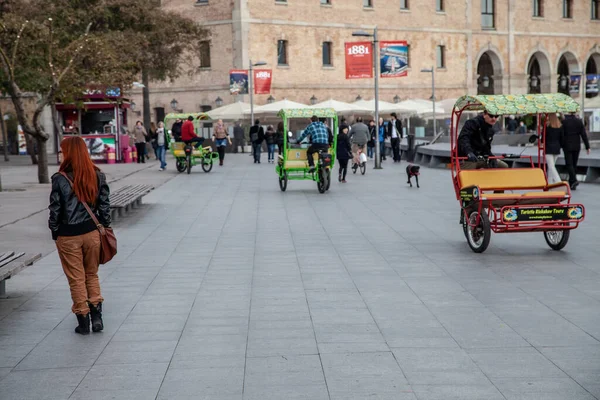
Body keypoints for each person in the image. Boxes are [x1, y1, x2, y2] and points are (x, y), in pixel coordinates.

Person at [48, 136, 111, 335]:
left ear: (68, 153)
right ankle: (97, 317)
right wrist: (105, 227)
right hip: (92, 232)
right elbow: (104, 206)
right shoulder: (97, 174)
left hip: (68, 236)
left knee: (76, 278)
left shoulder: (60, 179)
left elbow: (55, 209)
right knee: (91, 274)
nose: (60, 153)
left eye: (62, 150)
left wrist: (55, 231)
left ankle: (83, 321)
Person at [562, 112, 591, 190]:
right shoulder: (579, 121)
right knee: (574, 164)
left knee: (569, 164)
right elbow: (583, 134)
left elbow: (562, 134)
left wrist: (561, 144)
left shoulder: (564, 122)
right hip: (576, 145)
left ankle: (574, 180)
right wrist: (587, 146)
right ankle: (572, 183)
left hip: (567, 145)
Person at [544, 113, 564, 184]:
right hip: (557, 148)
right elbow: (562, 139)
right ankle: (550, 183)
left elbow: (543, 137)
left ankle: (559, 182)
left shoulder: (547, 127)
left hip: (548, 148)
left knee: (551, 167)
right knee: (551, 167)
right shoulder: (560, 126)